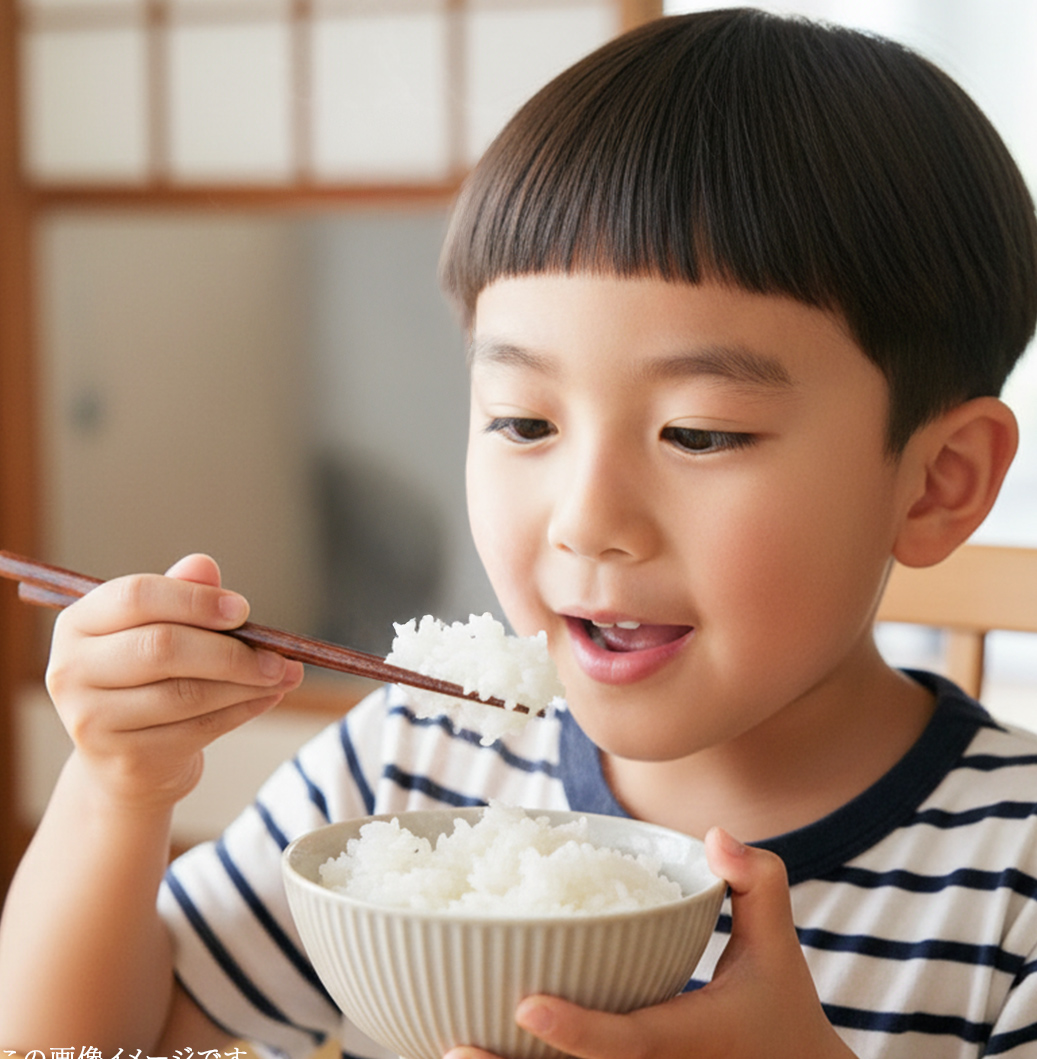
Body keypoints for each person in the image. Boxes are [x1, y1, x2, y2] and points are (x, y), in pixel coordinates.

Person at [2, 7, 1036, 1058]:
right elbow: (84, 1043)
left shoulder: (1011, 883)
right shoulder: (411, 773)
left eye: (699, 432)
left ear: (933, 484)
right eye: (523, 421)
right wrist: (117, 791)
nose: (586, 519)